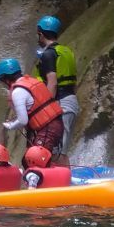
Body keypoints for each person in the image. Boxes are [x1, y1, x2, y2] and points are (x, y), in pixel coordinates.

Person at [0, 57, 65, 162]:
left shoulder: (18, 92)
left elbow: (23, 120)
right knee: (31, 160)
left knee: (35, 161)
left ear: (6, 79)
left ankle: (59, 177)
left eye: (2, 80)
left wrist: (10, 126)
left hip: (48, 128)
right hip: (55, 124)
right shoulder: (32, 81)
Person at [32, 15, 79, 158]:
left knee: (56, 151)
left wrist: (46, 109)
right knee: (62, 151)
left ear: (41, 33)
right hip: (70, 100)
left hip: (60, 103)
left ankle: (61, 179)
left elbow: (52, 83)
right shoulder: (66, 51)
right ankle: (65, 178)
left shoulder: (48, 54)